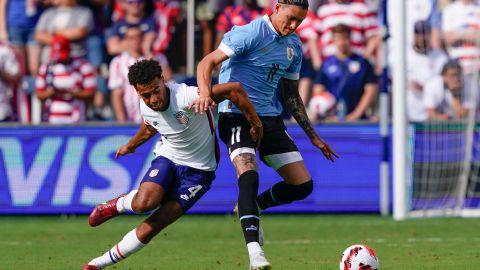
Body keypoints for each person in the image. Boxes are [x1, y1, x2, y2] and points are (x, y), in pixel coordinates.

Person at [195, 1, 338, 269]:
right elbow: (207, 61)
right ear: (277, 7)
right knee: (249, 176)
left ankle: (253, 206)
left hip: (270, 119)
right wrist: (205, 93)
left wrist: (313, 136)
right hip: (235, 114)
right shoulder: (249, 33)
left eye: (300, 21)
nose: (294, 26)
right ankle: (255, 254)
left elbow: (291, 95)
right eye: (291, 18)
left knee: (302, 186)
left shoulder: (294, 47)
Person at [82, 59, 262, 270]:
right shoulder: (145, 105)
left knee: (154, 224)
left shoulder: (186, 96)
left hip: (200, 172)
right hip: (169, 157)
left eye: (155, 91)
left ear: (162, 80)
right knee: (143, 204)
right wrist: (131, 146)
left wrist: (255, 122)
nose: (152, 99)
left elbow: (234, 89)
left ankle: (97, 264)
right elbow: (151, 127)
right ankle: (113, 206)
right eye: (145, 95)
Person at [312, 24, 378, 122]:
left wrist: (355, 115)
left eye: (345, 38)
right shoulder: (326, 64)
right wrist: (326, 112)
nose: (342, 42)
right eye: (338, 39)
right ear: (333, 40)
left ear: (350, 39)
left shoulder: (362, 63)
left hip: (357, 121)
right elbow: (318, 91)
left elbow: (371, 90)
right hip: (332, 121)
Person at [109, 26, 172, 123]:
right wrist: (122, 122)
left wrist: (147, 52)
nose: (136, 40)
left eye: (138, 36)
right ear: (125, 40)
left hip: (158, 118)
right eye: (131, 38)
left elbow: (168, 78)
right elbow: (117, 93)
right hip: (131, 119)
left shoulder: (158, 57)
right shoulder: (117, 62)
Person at [35, 35, 96, 124]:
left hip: (76, 120)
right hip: (52, 120)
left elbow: (91, 93)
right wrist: (51, 93)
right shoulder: (46, 68)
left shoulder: (83, 66)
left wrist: (73, 93)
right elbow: (39, 94)